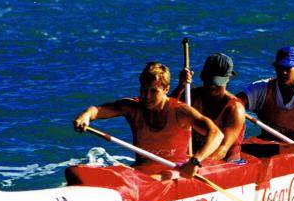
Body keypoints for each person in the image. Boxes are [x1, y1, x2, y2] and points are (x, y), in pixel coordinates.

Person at [73, 62, 223, 179]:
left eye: (154, 91)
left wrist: (195, 161)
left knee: (159, 177)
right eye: (144, 90)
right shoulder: (132, 107)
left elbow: (216, 134)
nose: (147, 96)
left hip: (175, 171)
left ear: (166, 89)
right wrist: (86, 115)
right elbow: (99, 110)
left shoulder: (180, 111)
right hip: (141, 171)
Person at [171, 53, 246, 162]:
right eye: (208, 80)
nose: (211, 85)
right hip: (195, 158)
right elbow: (167, 111)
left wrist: (196, 164)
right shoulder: (191, 96)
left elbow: (223, 148)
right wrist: (180, 87)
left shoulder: (235, 109)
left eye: (216, 82)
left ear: (228, 78)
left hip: (225, 162)